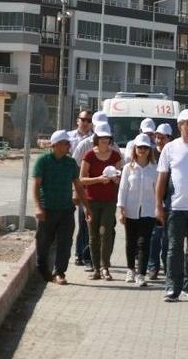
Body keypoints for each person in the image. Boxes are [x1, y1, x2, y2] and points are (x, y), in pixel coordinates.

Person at [156, 109, 188, 302]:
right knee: (174, 248)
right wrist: (158, 204)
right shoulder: (170, 148)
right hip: (175, 208)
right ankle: (172, 287)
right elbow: (162, 177)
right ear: (179, 126)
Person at [33, 130, 85, 285]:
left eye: (68, 143)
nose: (68, 145)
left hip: (66, 209)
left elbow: (78, 186)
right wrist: (38, 207)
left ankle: (59, 272)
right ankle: (42, 270)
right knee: (44, 242)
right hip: (47, 209)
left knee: (65, 242)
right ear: (55, 145)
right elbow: (36, 185)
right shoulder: (43, 161)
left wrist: (87, 207)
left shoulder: (70, 163)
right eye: (65, 143)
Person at [79, 122, 122, 280]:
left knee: (106, 233)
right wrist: (99, 179)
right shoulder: (89, 155)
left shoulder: (116, 155)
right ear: (96, 138)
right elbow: (82, 179)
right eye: (102, 138)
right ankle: (96, 268)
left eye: (107, 138)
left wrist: (115, 179)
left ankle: (105, 267)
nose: (105, 141)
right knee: (93, 235)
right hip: (91, 200)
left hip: (109, 201)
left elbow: (119, 177)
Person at [117, 133, 157, 286]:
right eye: (140, 147)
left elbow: (157, 189)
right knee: (131, 242)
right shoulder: (128, 168)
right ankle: (130, 270)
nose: (142, 150)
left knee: (144, 242)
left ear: (149, 150)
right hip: (131, 209)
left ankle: (141, 274)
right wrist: (121, 210)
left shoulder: (154, 168)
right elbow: (123, 189)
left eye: (145, 147)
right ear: (135, 149)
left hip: (148, 210)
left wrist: (159, 207)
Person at [147, 123, 173, 280]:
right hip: (154, 201)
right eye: (157, 137)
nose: (158, 140)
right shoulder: (151, 154)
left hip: (170, 201)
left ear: (169, 138)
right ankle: (153, 267)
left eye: (162, 138)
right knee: (155, 236)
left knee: (168, 238)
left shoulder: (173, 154)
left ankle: (168, 267)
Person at [68, 110, 93, 269]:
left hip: (84, 184)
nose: (85, 122)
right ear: (77, 120)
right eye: (83, 119)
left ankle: (83, 254)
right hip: (69, 183)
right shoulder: (69, 137)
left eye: (88, 120)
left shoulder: (95, 139)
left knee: (85, 222)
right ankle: (77, 253)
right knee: (71, 222)